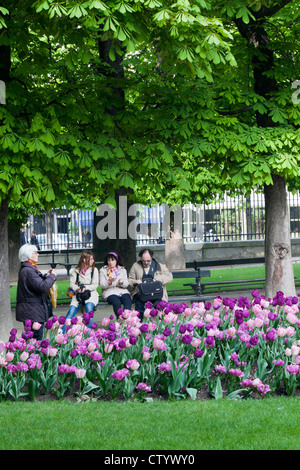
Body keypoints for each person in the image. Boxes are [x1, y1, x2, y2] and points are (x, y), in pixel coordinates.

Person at [16, 244, 57, 340]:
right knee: (36, 341)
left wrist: (46, 275)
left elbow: (35, 283)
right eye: (35, 252)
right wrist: (53, 276)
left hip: (32, 311)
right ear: (29, 255)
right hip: (33, 312)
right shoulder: (29, 270)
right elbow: (43, 286)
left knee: (33, 341)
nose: (38, 254)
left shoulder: (28, 269)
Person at [128, 248, 173, 320]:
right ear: (141, 258)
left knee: (160, 305)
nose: (146, 262)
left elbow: (169, 277)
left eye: (148, 260)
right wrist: (135, 281)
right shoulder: (135, 266)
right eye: (143, 261)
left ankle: (160, 324)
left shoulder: (159, 266)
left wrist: (158, 279)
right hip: (141, 293)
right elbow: (129, 279)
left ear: (151, 258)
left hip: (156, 293)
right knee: (139, 306)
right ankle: (140, 324)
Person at [63, 250, 99, 332]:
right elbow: (71, 284)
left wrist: (85, 287)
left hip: (91, 294)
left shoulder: (94, 270)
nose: (93, 261)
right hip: (78, 294)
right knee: (71, 311)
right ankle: (61, 332)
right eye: (91, 259)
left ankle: (88, 332)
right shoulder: (76, 271)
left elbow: (95, 285)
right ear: (85, 260)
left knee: (89, 308)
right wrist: (78, 289)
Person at [99, 252, 132, 318]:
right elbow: (102, 285)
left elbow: (126, 284)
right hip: (109, 292)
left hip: (122, 291)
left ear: (116, 260)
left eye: (112, 260)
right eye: (108, 260)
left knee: (128, 301)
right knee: (116, 302)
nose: (110, 262)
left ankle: (126, 318)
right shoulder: (103, 270)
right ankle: (120, 319)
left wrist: (122, 282)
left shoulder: (122, 270)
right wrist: (109, 282)